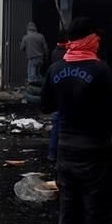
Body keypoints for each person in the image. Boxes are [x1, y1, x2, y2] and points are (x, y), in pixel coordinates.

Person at [41, 17, 112, 224]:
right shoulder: (101, 69)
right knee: (96, 210)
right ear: (90, 39)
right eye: (96, 37)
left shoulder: (55, 69)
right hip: (96, 150)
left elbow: (46, 106)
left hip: (66, 148)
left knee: (68, 208)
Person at [47, 31, 68, 163]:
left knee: (57, 123)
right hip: (68, 91)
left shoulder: (54, 52)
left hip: (57, 91)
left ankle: (52, 153)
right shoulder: (68, 53)